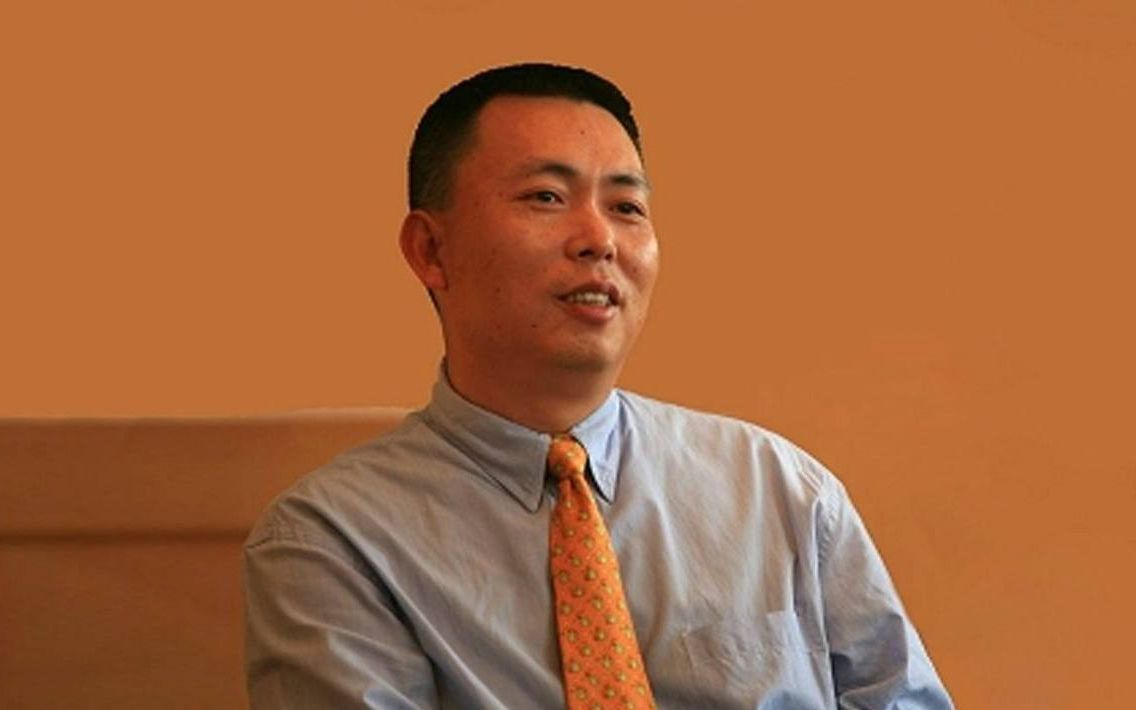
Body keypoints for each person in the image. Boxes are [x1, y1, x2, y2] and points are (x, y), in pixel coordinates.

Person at [243, 63, 953, 709]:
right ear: (431, 250)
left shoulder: (782, 491)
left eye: (626, 207)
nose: (599, 239)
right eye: (546, 197)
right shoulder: (332, 541)